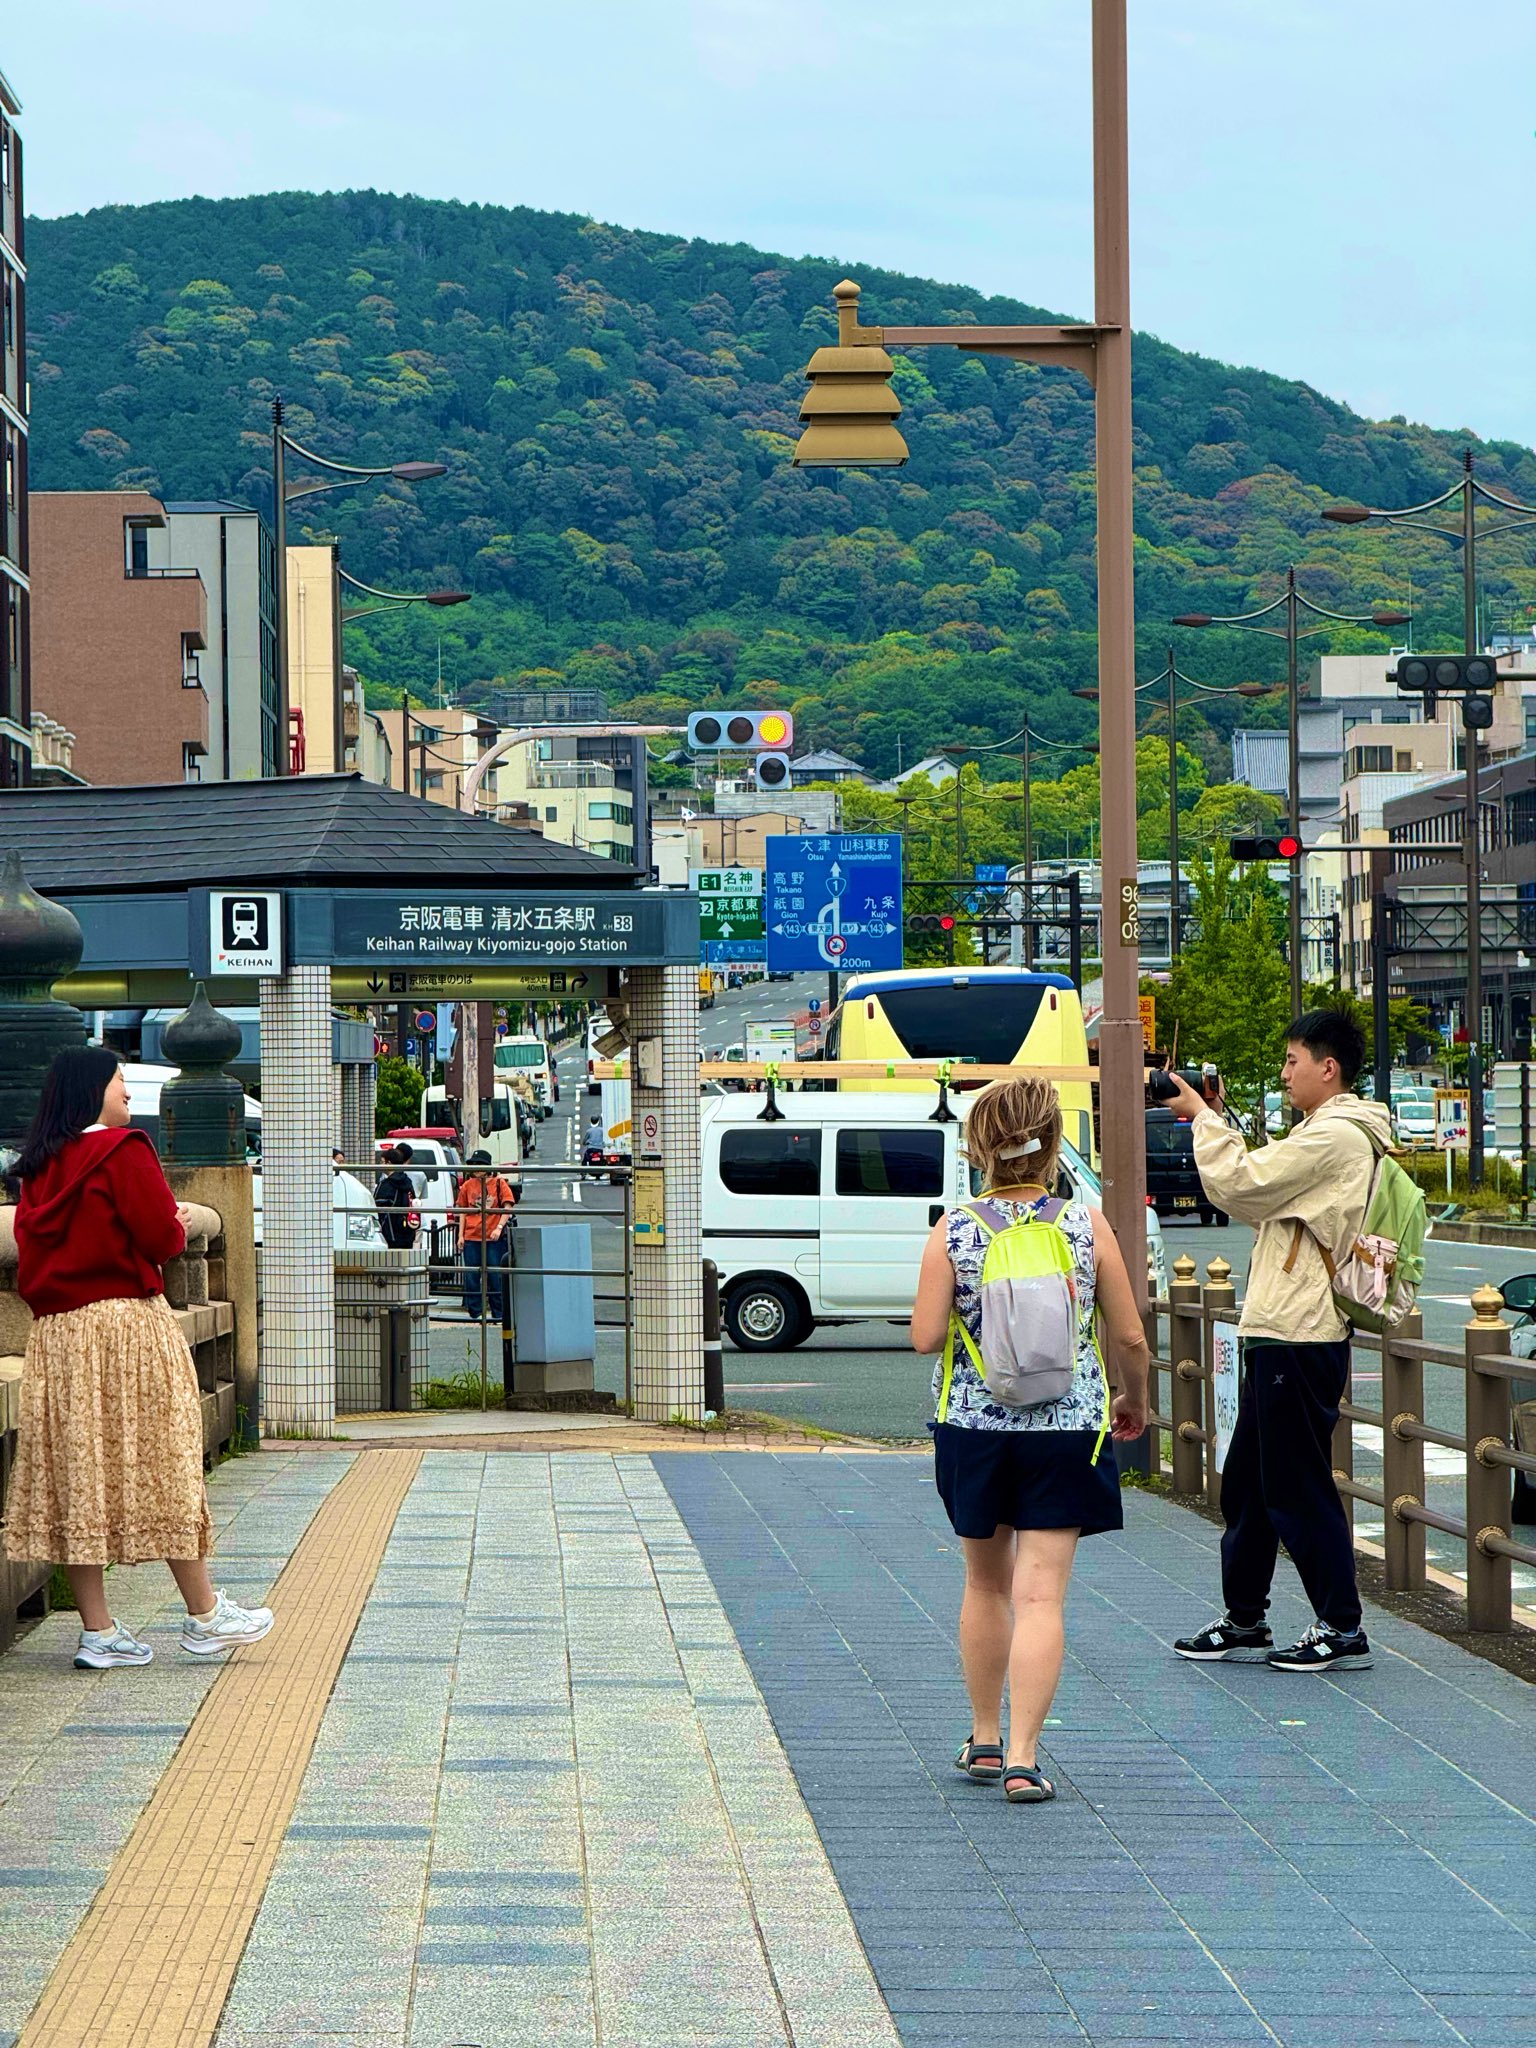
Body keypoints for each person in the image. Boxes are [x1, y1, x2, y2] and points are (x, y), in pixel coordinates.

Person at [910, 1075, 1149, 1803]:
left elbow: (923, 1338)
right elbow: (1130, 1332)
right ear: (1052, 1142)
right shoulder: (1086, 1224)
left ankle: (982, 1739)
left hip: (975, 1428)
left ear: (980, 1145)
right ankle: (1023, 1757)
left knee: (985, 1584)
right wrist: (1130, 1395)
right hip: (1068, 1427)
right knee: (1041, 1597)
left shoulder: (953, 1229)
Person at [2, 1048, 275, 1668]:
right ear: (93, 1090)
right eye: (120, 1082)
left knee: (80, 1476)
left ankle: (98, 1632)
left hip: (58, 1336)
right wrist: (176, 1225)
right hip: (125, 1326)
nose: (127, 1093)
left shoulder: (39, 1167)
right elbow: (159, 1237)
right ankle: (205, 1615)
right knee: (166, 1457)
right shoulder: (123, 1154)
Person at [1167, 1009, 1391, 1673]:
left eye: (1294, 1061)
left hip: (1302, 1330)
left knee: (1295, 1485)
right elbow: (1261, 1183)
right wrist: (1213, 1120)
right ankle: (1246, 1618)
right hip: (1282, 1327)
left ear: (1329, 1068)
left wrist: (1203, 1120)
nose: (1286, 1073)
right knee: (1251, 1482)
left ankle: (1341, 1627)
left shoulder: (1336, 1137)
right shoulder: (1323, 1133)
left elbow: (1245, 1184)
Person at [455, 1149, 518, 1324]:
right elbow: (463, 1211)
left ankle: (498, 1312)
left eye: (479, 1164)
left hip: (493, 1237)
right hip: (471, 1236)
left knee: (495, 1275)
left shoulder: (499, 1183)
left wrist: (499, 1227)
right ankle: (475, 1312)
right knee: (472, 1276)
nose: (475, 1168)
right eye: (473, 1165)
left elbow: (508, 1207)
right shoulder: (467, 1185)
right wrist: (460, 1235)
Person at [373, 1143, 418, 1249]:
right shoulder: (407, 1182)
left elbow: (377, 1210)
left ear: (389, 1163)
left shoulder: (385, 1185)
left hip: (389, 1236)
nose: (380, 1165)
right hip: (407, 1232)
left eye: (382, 1162)